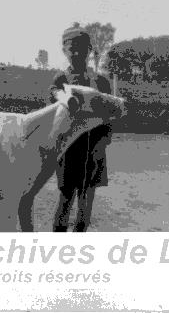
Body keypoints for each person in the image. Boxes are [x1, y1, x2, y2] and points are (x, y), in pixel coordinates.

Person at [49, 26, 113, 232]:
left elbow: (109, 115)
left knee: (86, 201)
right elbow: (51, 115)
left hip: (94, 150)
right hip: (68, 150)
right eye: (71, 49)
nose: (76, 53)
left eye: (81, 48)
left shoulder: (101, 82)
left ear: (89, 50)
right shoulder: (60, 80)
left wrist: (105, 137)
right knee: (66, 197)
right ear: (63, 51)